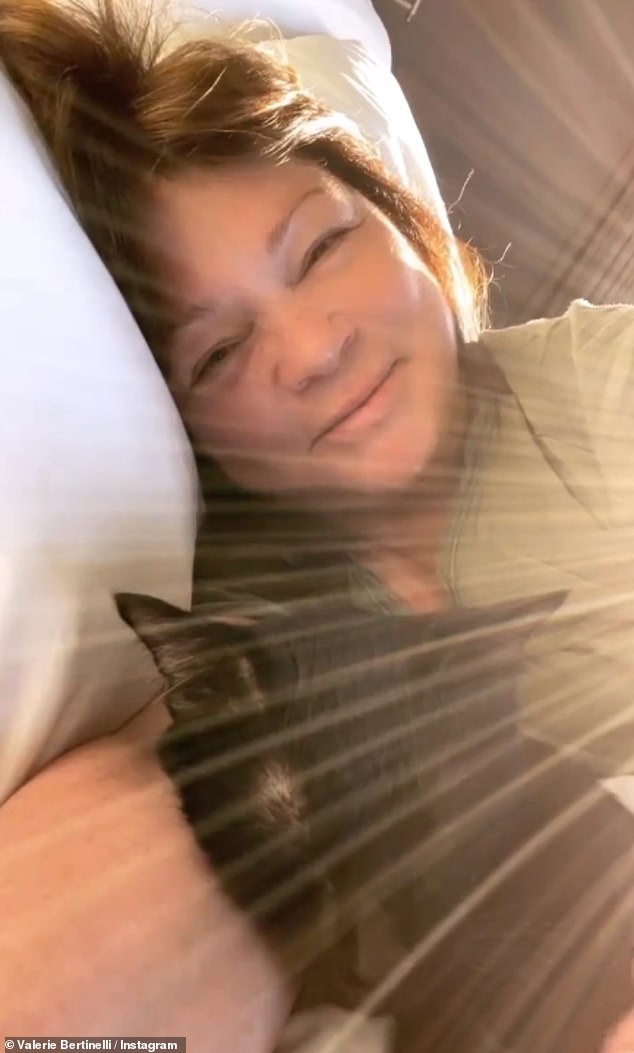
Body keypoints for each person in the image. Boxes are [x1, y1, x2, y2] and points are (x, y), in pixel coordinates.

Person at [1, 0, 633, 1050]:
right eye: (217, 354)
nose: (311, 349)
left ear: (402, 219)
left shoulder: (603, 389)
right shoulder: (235, 643)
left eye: (322, 246)